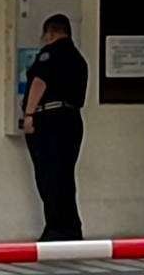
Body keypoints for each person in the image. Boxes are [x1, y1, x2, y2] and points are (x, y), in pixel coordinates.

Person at [22, 13, 88, 241]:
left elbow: (39, 82)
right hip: (71, 120)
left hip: (49, 121)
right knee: (65, 176)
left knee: (49, 176)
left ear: (50, 33)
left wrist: (29, 114)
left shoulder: (50, 54)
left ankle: (56, 229)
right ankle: (71, 228)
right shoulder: (78, 58)